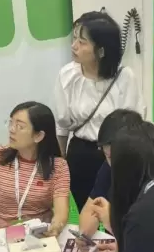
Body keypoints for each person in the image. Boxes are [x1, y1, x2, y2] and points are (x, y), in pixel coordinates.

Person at [54, 11, 145, 212]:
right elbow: (62, 125)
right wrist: (60, 162)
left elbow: (134, 125)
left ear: (101, 50)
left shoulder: (125, 77)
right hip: (80, 154)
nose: (74, 46)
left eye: (82, 42)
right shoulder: (67, 75)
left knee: (118, 211)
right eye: (74, 39)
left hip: (116, 155)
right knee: (85, 211)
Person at [79, 111, 154, 252]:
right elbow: (91, 207)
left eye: (115, 156)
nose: (112, 163)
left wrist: (113, 223)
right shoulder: (109, 168)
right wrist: (83, 235)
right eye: (107, 156)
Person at [0, 101, 69, 235]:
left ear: (38, 136)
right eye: (10, 123)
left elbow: (61, 212)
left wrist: (55, 228)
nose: (11, 130)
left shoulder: (58, 167)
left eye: (19, 126)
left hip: (37, 232)